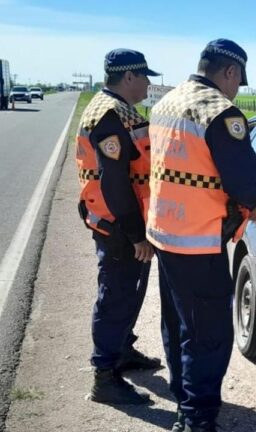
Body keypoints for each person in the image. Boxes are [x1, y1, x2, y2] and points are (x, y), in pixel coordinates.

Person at [147, 39, 256, 432]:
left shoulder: (165, 103)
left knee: (179, 323)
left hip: (165, 234)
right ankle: (197, 420)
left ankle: (185, 397)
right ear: (229, 72)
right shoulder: (220, 112)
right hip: (198, 240)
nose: (236, 90)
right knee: (210, 334)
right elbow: (247, 185)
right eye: (238, 81)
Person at [75, 48, 163, 406]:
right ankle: (104, 377)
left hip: (123, 222)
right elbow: (115, 184)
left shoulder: (120, 110)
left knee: (129, 292)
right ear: (129, 77)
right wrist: (136, 235)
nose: (148, 83)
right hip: (118, 226)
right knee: (116, 296)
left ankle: (122, 349)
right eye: (145, 77)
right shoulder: (109, 116)